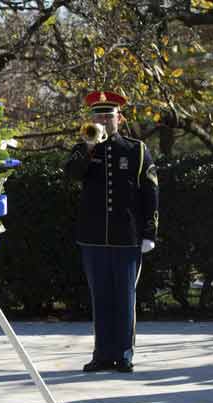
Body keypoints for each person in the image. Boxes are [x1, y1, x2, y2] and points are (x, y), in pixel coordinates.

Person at [65, 91, 159, 373]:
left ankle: (124, 353)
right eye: (98, 115)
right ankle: (102, 354)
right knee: (101, 298)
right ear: (91, 118)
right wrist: (89, 148)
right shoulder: (83, 148)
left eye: (108, 115)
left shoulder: (136, 149)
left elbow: (151, 192)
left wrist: (149, 233)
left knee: (124, 298)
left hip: (127, 238)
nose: (103, 120)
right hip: (93, 237)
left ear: (119, 118)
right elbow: (71, 174)